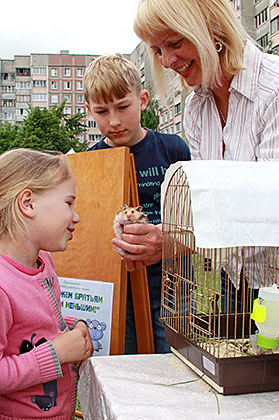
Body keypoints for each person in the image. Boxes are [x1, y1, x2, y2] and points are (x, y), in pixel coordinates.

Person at [133, 0, 279, 310]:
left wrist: (174, 241)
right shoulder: (195, 108)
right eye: (157, 51)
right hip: (234, 282)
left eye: (174, 43)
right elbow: (213, 201)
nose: (166, 61)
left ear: (211, 28)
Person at [0, 148, 93, 420]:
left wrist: (70, 326)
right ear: (28, 203)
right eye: (69, 203)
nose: (76, 216)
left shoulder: (42, 261)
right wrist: (56, 353)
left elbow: (30, 328)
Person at [84, 54, 191, 354]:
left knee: (176, 363)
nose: (114, 121)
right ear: (89, 111)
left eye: (122, 107)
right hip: (119, 290)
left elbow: (192, 217)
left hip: (173, 284)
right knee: (125, 368)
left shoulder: (173, 149)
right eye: (102, 111)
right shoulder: (90, 162)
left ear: (143, 100)